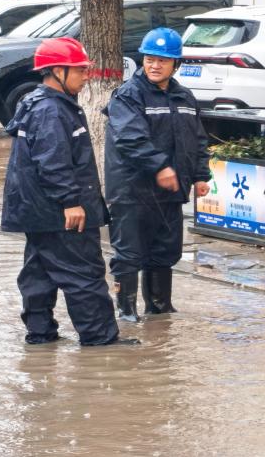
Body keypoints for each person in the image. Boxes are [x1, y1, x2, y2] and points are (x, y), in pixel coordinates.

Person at [1, 37, 137, 346]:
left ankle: (41, 334)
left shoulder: (42, 103)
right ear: (56, 71)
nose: (86, 76)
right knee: (84, 273)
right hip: (58, 212)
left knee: (39, 271)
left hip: (37, 210)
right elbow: (53, 161)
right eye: (79, 70)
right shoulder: (51, 110)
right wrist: (70, 202)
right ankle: (100, 340)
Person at [104, 27, 212, 322]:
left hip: (169, 192)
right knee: (129, 253)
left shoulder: (184, 97)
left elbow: (197, 139)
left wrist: (200, 175)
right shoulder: (128, 95)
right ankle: (127, 312)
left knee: (165, 251)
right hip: (132, 192)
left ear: (176, 64)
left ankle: (160, 309)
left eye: (162, 61)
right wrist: (160, 167)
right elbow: (130, 139)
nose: (154, 65)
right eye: (149, 59)